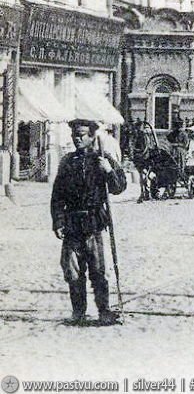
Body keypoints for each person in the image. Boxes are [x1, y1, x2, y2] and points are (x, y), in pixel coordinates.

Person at [50, 119, 128, 326]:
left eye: (82, 134)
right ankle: (78, 312)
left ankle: (104, 311)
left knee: (98, 270)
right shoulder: (68, 162)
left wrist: (109, 171)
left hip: (94, 222)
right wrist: (58, 221)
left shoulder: (102, 159)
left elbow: (119, 187)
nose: (77, 138)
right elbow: (57, 195)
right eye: (75, 134)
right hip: (72, 222)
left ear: (92, 137)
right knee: (72, 271)